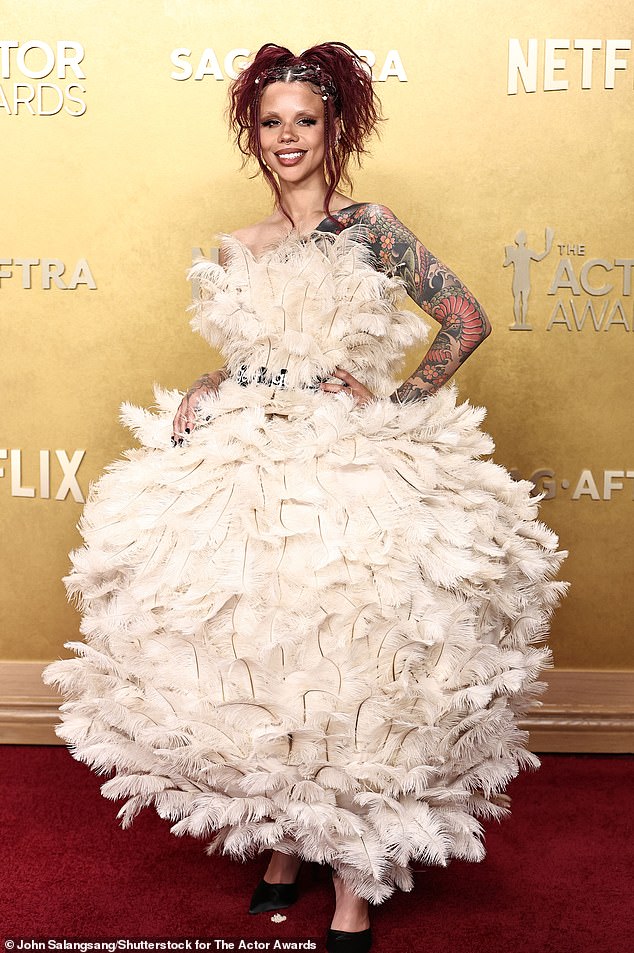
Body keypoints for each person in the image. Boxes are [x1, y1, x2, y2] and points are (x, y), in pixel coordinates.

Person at [43, 42, 566, 953]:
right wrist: (212, 381)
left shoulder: (372, 228)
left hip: (346, 462)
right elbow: (257, 348)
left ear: (336, 130)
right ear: (255, 132)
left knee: (359, 659)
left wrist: (393, 401)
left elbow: (466, 319)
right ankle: (285, 844)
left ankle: (355, 883)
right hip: (247, 459)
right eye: (272, 121)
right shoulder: (235, 246)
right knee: (265, 651)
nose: (288, 137)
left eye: (306, 121)